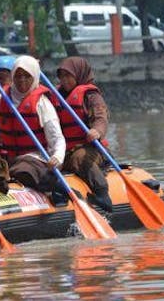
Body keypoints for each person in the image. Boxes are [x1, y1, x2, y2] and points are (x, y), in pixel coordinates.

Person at [0, 55, 67, 204]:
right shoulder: (2, 99)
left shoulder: (42, 103)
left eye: (27, 76)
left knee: (21, 171)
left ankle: (55, 184)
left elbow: (57, 138)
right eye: (18, 76)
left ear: (35, 77)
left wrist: (57, 157)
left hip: (36, 159)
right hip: (10, 158)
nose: (22, 80)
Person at [53, 56, 112, 212]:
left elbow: (101, 117)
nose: (64, 80)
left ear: (78, 74)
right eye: (62, 76)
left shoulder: (91, 96)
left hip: (91, 148)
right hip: (64, 149)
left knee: (80, 158)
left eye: (68, 76)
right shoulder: (56, 95)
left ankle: (102, 193)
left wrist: (96, 131)